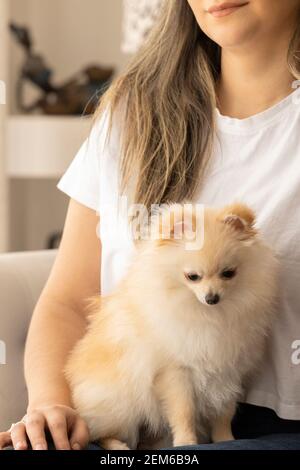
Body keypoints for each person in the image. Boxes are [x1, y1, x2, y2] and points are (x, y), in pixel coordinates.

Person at [1, 0, 300, 451]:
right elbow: (68, 301)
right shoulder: (131, 113)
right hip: (128, 420)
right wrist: (51, 407)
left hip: (266, 427)